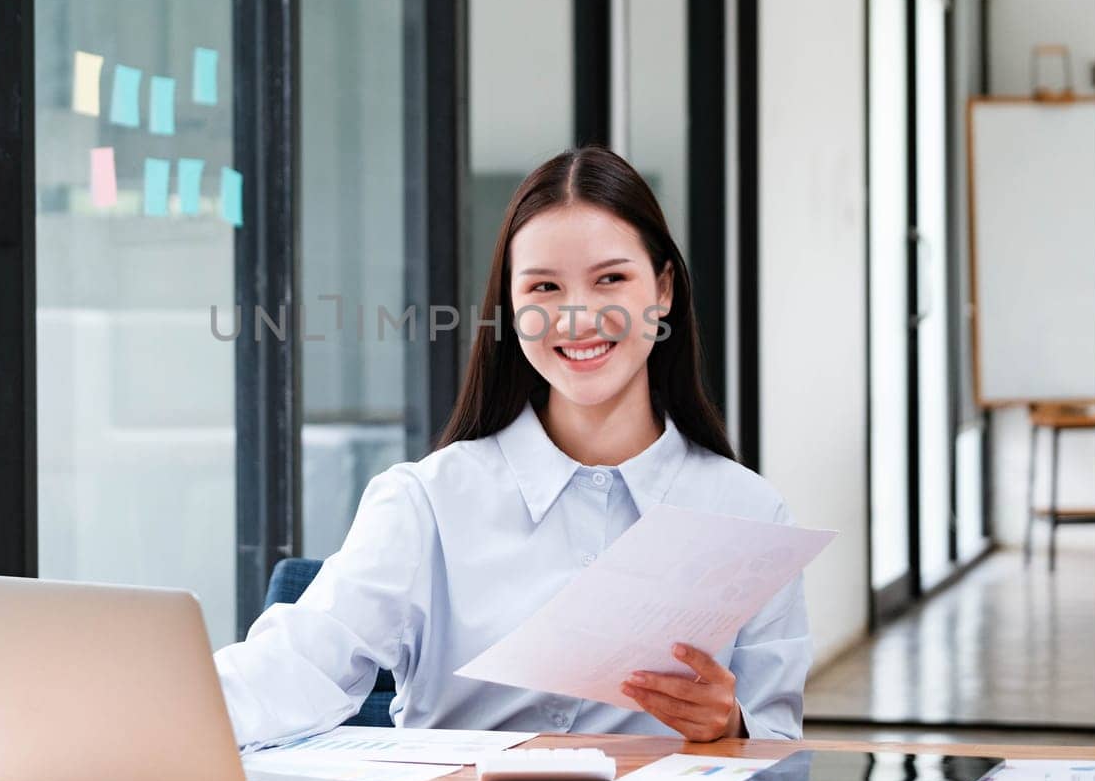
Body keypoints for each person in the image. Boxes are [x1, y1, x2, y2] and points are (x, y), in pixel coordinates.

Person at [215, 147, 811, 747]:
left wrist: (731, 725)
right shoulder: (426, 502)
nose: (577, 318)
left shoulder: (750, 516)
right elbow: (302, 662)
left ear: (662, 292)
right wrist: (161, 718)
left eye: (610, 279)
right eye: (545, 287)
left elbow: (779, 741)